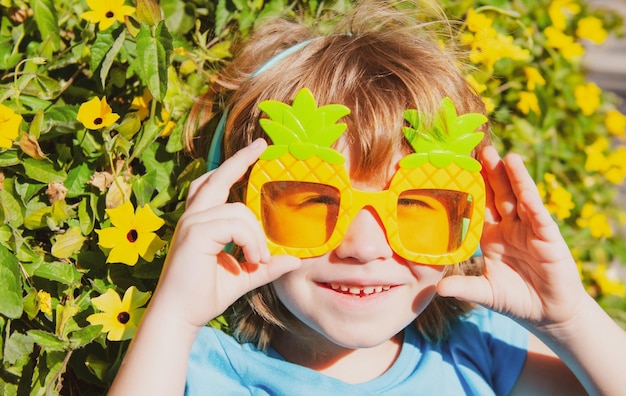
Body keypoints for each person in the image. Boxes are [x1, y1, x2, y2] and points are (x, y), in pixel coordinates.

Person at [109, 1, 626, 395]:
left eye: (416, 206)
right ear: (237, 210)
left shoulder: (478, 350)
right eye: (314, 202)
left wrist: (569, 320)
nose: (364, 246)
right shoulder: (198, 367)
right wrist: (173, 316)